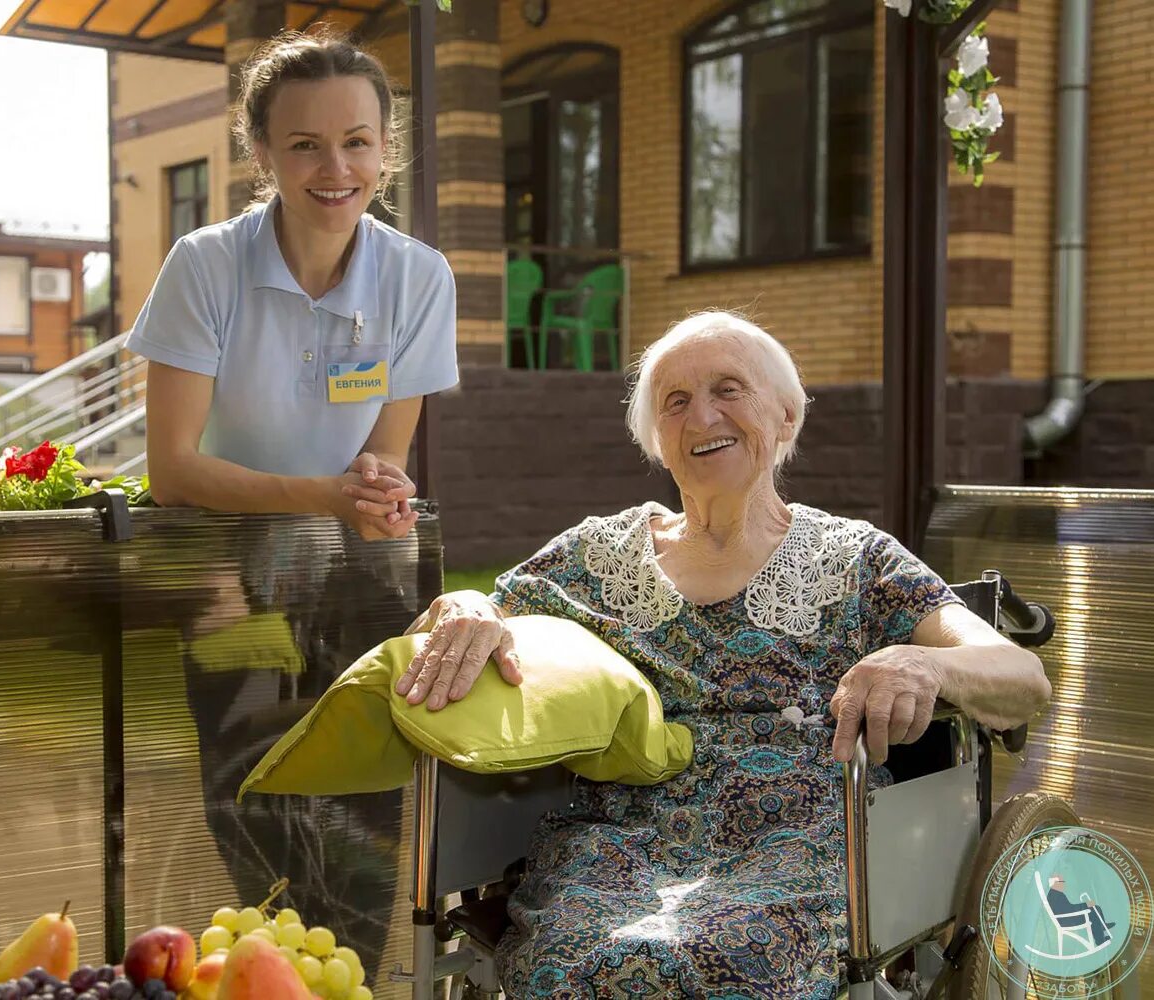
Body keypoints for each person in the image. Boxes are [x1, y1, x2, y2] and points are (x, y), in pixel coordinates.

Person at [397, 310, 1053, 997]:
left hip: (805, 842)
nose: (701, 415)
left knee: (737, 961)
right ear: (657, 440)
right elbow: (447, 633)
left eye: (728, 390)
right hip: (618, 846)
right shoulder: (596, 556)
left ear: (786, 418)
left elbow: (1021, 676)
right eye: (674, 402)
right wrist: (466, 606)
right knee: (572, 964)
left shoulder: (855, 558)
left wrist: (924, 663)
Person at [124, 27, 458, 541]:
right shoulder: (202, 265)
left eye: (356, 142)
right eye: (305, 145)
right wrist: (326, 496)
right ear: (261, 150)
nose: (336, 168)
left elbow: (388, 449)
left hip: (346, 555)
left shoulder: (421, 277)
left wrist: (377, 483)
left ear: (384, 147)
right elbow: (172, 473)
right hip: (213, 560)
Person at [1047, 874, 1115, 947]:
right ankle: (1100, 940)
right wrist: (1086, 905)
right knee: (1093, 911)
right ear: (1056, 883)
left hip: (1067, 918)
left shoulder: (1054, 894)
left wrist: (1086, 905)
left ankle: (1102, 926)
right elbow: (1069, 910)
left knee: (1095, 908)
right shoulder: (1056, 895)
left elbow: (1068, 909)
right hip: (1067, 920)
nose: (1063, 884)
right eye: (1062, 882)